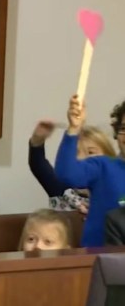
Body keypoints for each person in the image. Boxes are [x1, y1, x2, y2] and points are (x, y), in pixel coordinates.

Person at [55, 95, 125, 247]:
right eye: (124, 128)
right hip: (97, 258)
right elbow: (66, 174)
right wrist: (74, 129)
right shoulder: (103, 166)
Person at [29, 121, 115, 214]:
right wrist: (38, 140)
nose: (81, 159)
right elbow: (38, 164)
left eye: (91, 152)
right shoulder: (61, 188)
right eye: (75, 153)